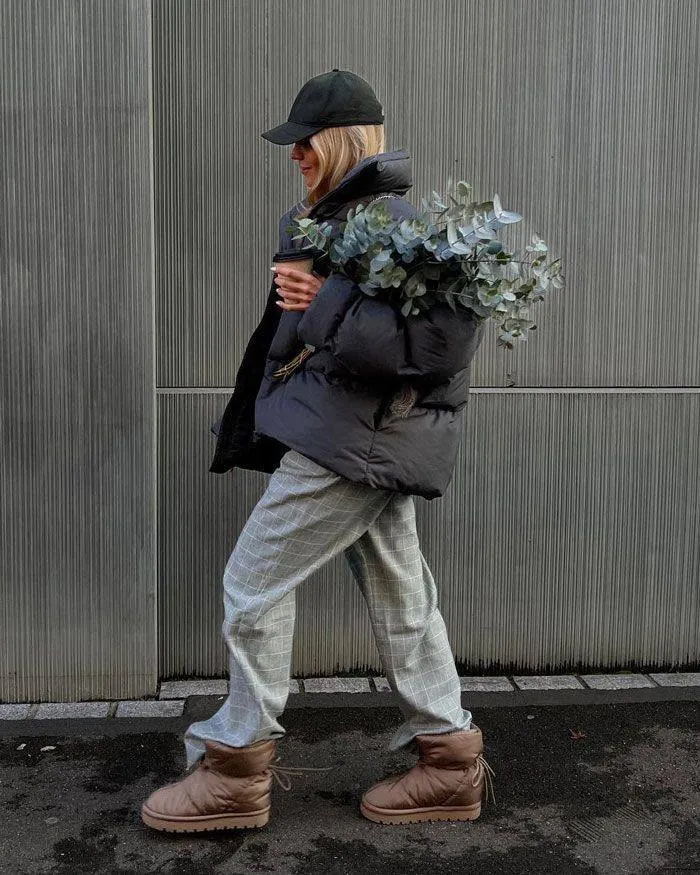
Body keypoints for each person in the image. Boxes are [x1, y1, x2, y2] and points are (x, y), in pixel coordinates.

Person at [141, 69, 488, 833]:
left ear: (339, 141)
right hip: (357, 438)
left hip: (355, 443)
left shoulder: (398, 224)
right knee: (403, 598)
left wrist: (320, 297)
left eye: (304, 140)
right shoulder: (332, 220)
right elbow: (319, 344)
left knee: (252, 584)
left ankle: (236, 766)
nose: (294, 152)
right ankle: (449, 761)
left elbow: (441, 347)